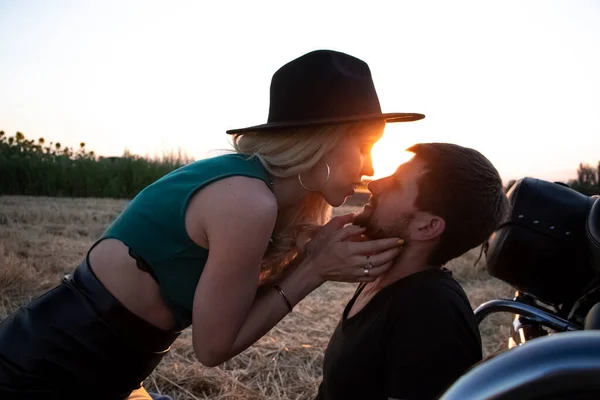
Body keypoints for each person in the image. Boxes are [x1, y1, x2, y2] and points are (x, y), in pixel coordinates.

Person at [0, 49, 425, 399]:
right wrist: (312, 269)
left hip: (109, 370)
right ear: (322, 144)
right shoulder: (247, 201)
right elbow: (213, 347)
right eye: (364, 148)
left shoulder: (271, 195)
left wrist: (312, 255)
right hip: (46, 371)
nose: (370, 167)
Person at [316, 143, 509, 400]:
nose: (374, 185)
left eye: (395, 184)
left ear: (427, 227)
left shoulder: (430, 316)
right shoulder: (384, 278)